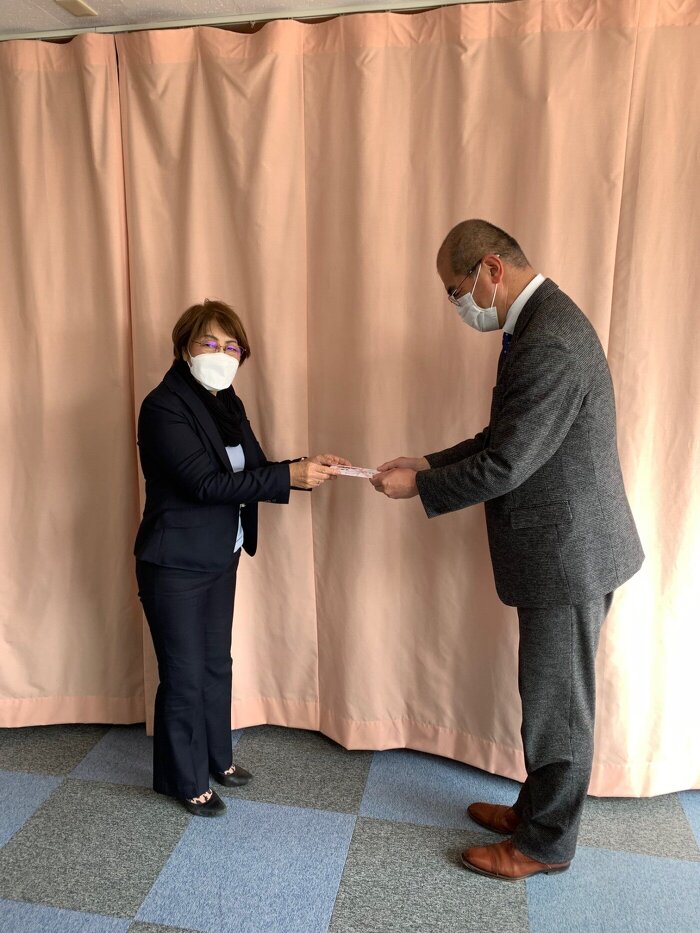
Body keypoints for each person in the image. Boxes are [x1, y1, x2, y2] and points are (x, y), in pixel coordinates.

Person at [370, 220, 644, 880]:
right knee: (548, 696)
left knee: (558, 707)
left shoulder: (550, 339)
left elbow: (507, 463)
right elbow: (505, 435)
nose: (456, 304)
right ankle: (535, 810)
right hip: (564, 546)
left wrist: (421, 487)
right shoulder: (536, 324)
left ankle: (546, 844)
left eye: (454, 289)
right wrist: (429, 462)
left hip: (568, 554)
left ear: (490, 269)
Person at [135, 299, 349, 817]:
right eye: (209, 342)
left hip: (221, 553)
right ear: (184, 348)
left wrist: (304, 468)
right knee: (184, 674)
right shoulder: (163, 407)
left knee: (216, 663)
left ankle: (217, 757)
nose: (221, 353)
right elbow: (205, 484)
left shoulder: (227, 403)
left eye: (232, 346)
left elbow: (253, 468)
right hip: (175, 563)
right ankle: (183, 779)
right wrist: (286, 477)